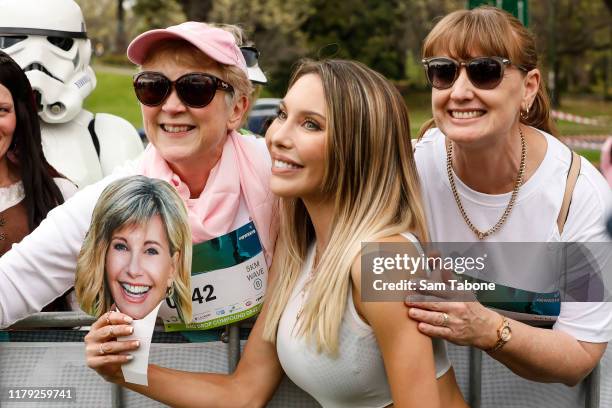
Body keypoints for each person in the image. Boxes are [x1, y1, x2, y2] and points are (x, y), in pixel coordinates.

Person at [83, 59, 468, 408]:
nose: (279, 136)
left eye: (310, 124)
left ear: (358, 148)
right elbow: (243, 394)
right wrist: (125, 370)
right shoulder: (300, 248)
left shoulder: (383, 259)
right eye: (283, 115)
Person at [0, 22, 275, 328]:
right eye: (153, 87)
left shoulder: (280, 178)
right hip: (156, 372)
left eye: (196, 88)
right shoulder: (116, 200)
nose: (170, 106)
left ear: (237, 108)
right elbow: (13, 282)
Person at [406, 5, 612, 401]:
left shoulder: (580, 195)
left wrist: (487, 328)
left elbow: (582, 352)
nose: (460, 91)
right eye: (443, 71)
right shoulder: (406, 172)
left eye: (485, 71)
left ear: (530, 87)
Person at [0, 0, 144, 189]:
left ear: (84, 51)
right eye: (12, 41)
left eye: (58, 42)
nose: (37, 60)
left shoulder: (109, 135)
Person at [0, 50, 76, 310]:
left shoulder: (60, 197)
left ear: (19, 118)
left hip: (43, 348)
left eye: (1, 110)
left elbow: (84, 304)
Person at [75, 176, 192, 322]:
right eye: (121, 247)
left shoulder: (210, 343)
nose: (133, 270)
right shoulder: (77, 336)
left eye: (151, 251)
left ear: (173, 266)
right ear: (102, 254)